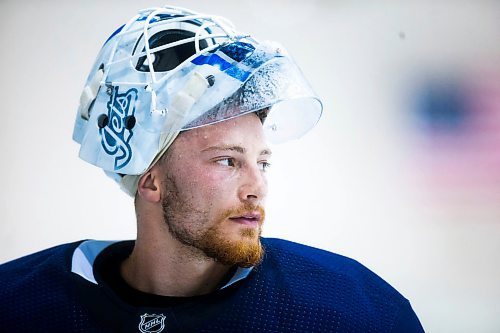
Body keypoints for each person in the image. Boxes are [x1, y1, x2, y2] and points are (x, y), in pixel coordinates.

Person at [0, 5, 424, 332]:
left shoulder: (350, 309)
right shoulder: (18, 304)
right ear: (149, 179)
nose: (257, 187)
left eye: (262, 162)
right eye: (228, 161)